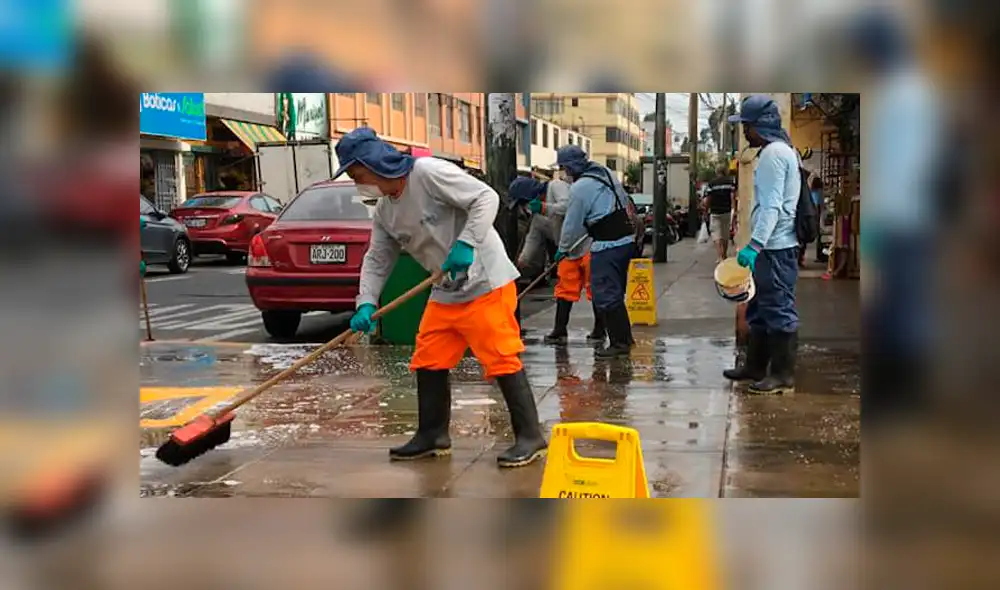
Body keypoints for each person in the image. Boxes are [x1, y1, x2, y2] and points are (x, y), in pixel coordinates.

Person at [339, 127, 546, 468]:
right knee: (429, 358)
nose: (358, 183)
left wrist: (467, 242)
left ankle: (530, 437)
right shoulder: (384, 211)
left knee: (501, 357)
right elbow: (378, 257)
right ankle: (432, 435)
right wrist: (366, 301)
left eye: (357, 175)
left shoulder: (428, 173)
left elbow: (485, 198)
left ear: (375, 164)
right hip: (446, 290)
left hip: (485, 282)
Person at [724, 95, 802, 395]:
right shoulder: (783, 151)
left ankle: (782, 376)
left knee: (778, 309)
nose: (744, 131)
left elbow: (771, 207)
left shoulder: (773, 155)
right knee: (757, 306)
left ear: (760, 125)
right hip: (773, 246)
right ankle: (755, 367)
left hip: (775, 248)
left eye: (747, 125)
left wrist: (754, 246)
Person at [554, 145, 636, 359]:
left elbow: (572, 224)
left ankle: (619, 343)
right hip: (626, 241)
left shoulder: (580, 188)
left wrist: (563, 249)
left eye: (564, 167)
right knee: (615, 293)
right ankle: (625, 338)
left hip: (607, 244)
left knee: (606, 295)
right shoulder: (605, 173)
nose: (564, 172)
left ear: (570, 167)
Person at [509, 175, 603, 345]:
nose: (524, 209)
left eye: (523, 204)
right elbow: (533, 240)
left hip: (588, 243)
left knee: (595, 289)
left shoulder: (556, 186)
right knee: (564, 290)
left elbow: (569, 207)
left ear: (531, 197)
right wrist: (521, 263)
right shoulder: (537, 219)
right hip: (567, 252)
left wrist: (545, 207)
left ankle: (599, 330)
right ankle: (560, 330)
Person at [702, 165, 736, 262]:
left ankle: (720, 256)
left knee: (716, 235)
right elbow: (732, 195)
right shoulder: (730, 182)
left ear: (717, 172)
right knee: (725, 234)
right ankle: (724, 255)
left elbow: (708, 199)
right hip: (727, 211)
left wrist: (706, 210)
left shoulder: (712, 183)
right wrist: (734, 208)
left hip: (715, 211)